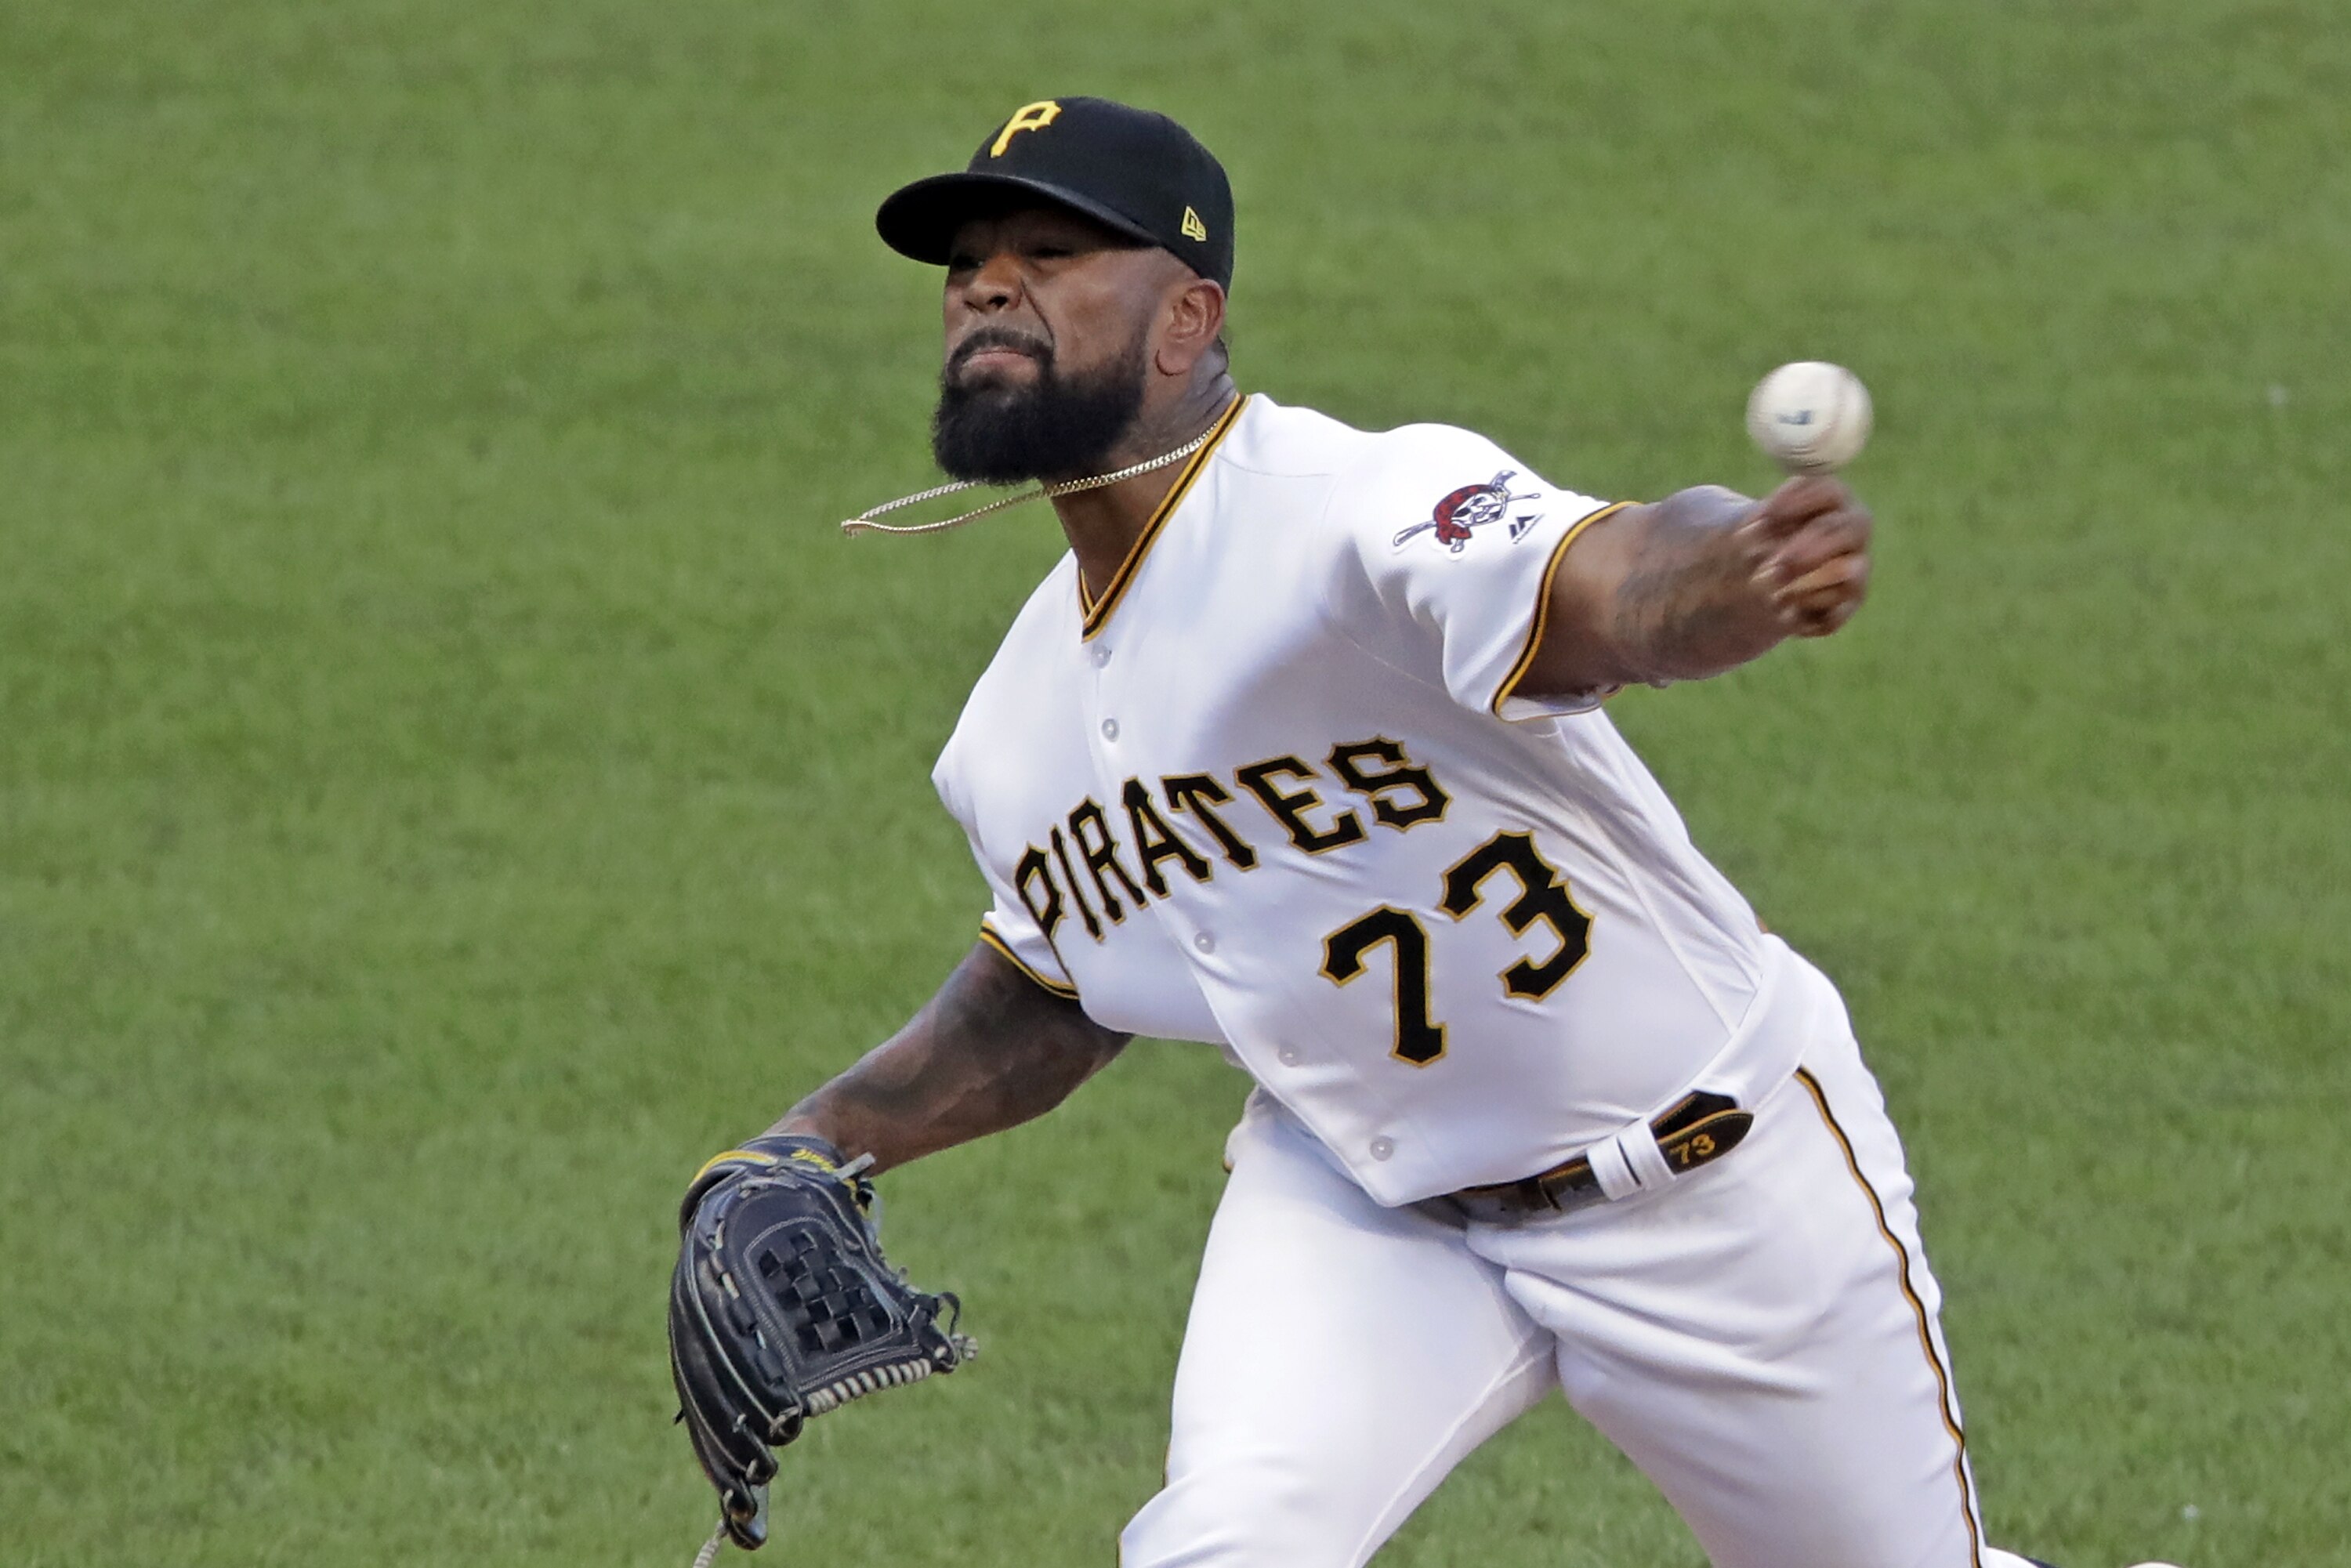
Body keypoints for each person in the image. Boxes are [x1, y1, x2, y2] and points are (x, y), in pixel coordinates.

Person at [745, 95, 2067, 1568]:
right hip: (1368, 1206)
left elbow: (1616, 579)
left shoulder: (1354, 507)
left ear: (1188, 320)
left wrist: (1739, 574)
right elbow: (1055, 990)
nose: (990, 286)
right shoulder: (1013, 728)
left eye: (1050, 253)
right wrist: (809, 1144)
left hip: (1715, 1176)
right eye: (968, 265)